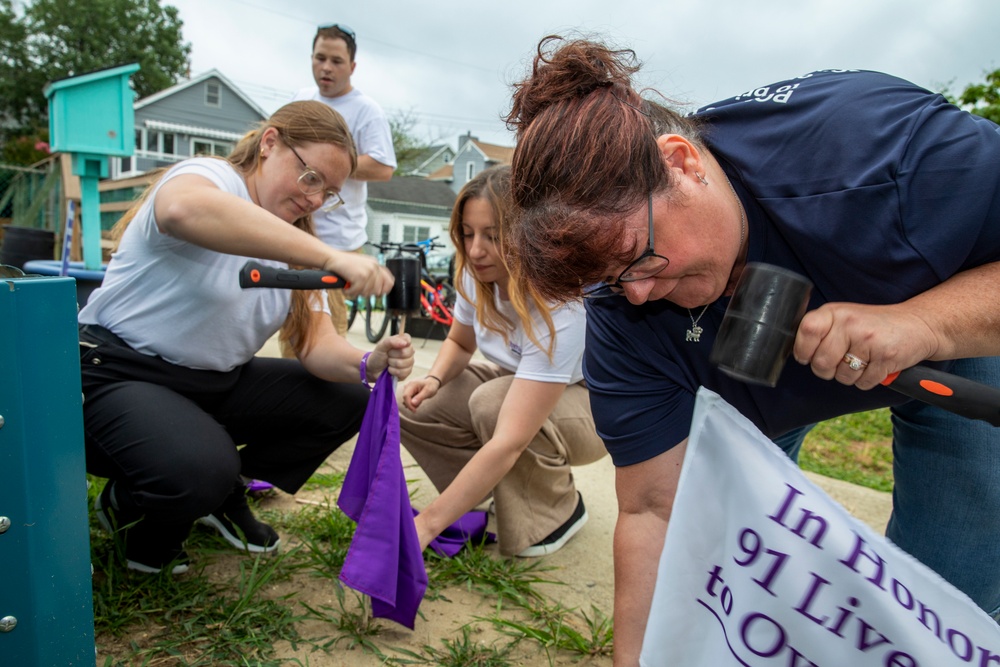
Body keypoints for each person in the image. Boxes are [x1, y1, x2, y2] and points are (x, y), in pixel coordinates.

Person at [504, 36, 1000, 665]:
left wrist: (925, 324)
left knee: (954, 583)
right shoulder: (623, 310)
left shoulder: (879, 151)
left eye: (639, 257)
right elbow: (655, 512)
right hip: (743, 379)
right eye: (609, 280)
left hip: (951, 324)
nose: (637, 293)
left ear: (681, 162)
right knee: (729, 573)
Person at [79, 100, 414, 575]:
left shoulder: (297, 241)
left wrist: (370, 362)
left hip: (211, 384)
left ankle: (220, 490)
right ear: (270, 143)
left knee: (347, 398)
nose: (316, 199)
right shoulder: (211, 177)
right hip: (113, 375)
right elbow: (181, 209)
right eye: (311, 177)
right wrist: (327, 256)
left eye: (330, 191)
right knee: (197, 470)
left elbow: (318, 348)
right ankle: (132, 508)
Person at [398, 166, 606, 558]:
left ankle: (557, 512)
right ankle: (489, 493)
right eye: (468, 233)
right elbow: (460, 344)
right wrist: (435, 380)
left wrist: (424, 526)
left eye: (493, 236)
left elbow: (509, 440)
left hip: (592, 408)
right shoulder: (474, 276)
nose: (476, 250)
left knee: (493, 406)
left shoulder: (560, 305)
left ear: (529, 236)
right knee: (414, 404)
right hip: (521, 384)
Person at [288, 23, 396, 336]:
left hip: (339, 241)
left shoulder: (366, 111)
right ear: (311, 59)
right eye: (320, 58)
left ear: (352, 66)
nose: (326, 68)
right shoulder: (301, 99)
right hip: (293, 232)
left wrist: (326, 167)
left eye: (336, 61)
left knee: (325, 333)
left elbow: (383, 167)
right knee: (290, 330)